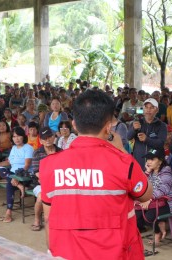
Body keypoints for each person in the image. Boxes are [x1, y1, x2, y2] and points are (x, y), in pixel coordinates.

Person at [39, 90, 152, 259]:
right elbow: (146, 194)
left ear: (74, 125)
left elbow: (48, 217)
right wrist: (121, 149)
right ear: (108, 127)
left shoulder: (49, 165)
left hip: (65, 253)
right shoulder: (123, 163)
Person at [0, 127, 34, 222]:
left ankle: (8, 213)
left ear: (23, 137)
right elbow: (8, 162)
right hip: (13, 175)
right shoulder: (13, 148)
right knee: (0, 169)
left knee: (9, 185)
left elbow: (27, 165)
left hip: (24, 175)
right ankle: (19, 186)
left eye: (18, 136)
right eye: (14, 136)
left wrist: (18, 177)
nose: (16, 139)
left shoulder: (28, 148)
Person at [135, 148, 172, 246]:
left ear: (160, 161)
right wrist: (147, 171)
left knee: (149, 216)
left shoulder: (166, 171)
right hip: (153, 202)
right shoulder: (150, 171)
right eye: (148, 159)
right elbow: (141, 185)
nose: (148, 162)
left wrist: (148, 200)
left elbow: (163, 190)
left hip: (167, 203)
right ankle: (160, 225)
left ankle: (157, 232)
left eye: (152, 159)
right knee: (137, 215)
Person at [29, 127, 62, 231]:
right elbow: (37, 173)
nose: (47, 140)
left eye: (49, 137)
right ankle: (37, 219)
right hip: (41, 183)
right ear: (40, 140)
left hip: (58, 182)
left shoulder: (61, 152)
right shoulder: (37, 153)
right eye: (44, 138)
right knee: (40, 197)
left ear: (54, 138)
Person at [128, 98, 167, 171]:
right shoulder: (137, 122)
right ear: (143, 109)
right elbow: (128, 137)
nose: (148, 110)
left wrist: (147, 139)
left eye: (152, 107)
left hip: (154, 166)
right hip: (138, 163)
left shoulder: (161, 125)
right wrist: (133, 129)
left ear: (157, 110)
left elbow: (161, 143)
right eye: (146, 107)